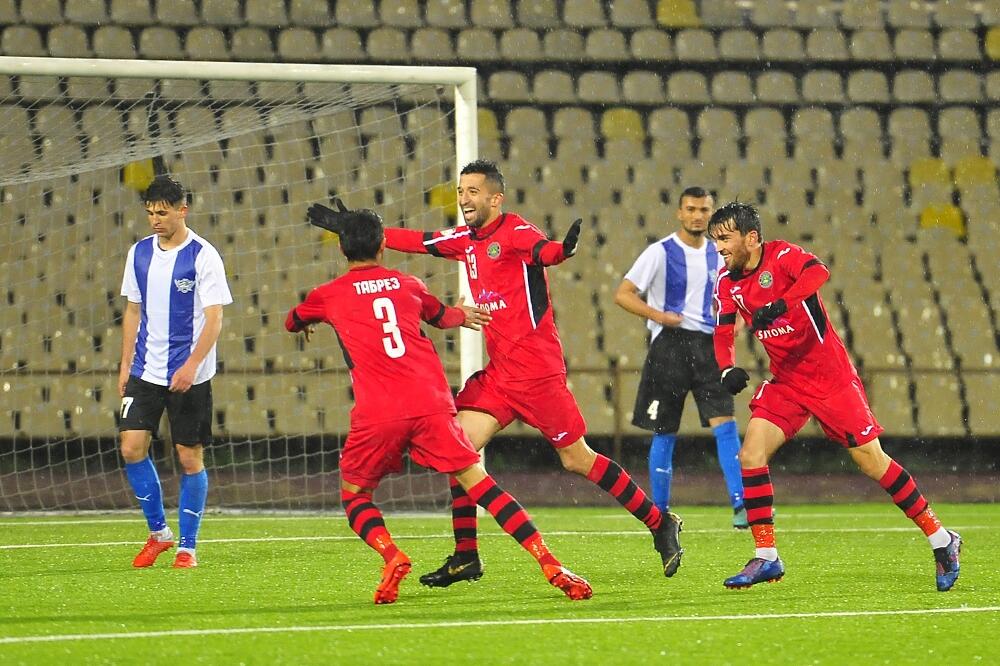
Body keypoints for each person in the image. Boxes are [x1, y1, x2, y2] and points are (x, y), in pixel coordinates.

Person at [309, 160, 684, 587]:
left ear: (495, 198)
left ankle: (658, 522)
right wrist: (356, 231)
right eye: (461, 191)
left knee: (577, 459)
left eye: (472, 191)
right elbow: (419, 241)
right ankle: (467, 555)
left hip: (539, 374)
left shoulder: (516, 232)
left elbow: (544, 251)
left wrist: (563, 251)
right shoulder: (465, 240)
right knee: (460, 451)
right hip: (500, 376)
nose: (464, 199)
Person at [286, 204, 592, 604]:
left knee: (355, 493)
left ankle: (392, 554)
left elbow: (292, 320)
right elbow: (443, 316)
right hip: (432, 404)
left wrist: (306, 321)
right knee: (479, 483)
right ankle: (550, 563)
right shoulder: (409, 285)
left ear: (342, 250)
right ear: (383, 246)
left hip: (379, 412)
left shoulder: (327, 295)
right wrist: (463, 314)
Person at [708, 201, 961, 591]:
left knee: (873, 462)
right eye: (715, 240)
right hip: (787, 381)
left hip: (831, 379)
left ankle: (942, 539)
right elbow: (724, 330)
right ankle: (767, 556)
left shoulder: (783, 256)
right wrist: (726, 367)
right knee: (751, 454)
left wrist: (781, 303)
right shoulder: (727, 283)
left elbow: (818, 272)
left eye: (725, 238)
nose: (719, 246)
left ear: (752, 237)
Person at [614, 186, 746, 529]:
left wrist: (733, 326)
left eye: (704, 210)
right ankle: (659, 512)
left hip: (707, 346)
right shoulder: (659, 253)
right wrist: (658, 316)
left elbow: (734, 295)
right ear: (679, 212)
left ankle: (741, 505)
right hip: (669, 347)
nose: (697, 216)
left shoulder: (718, 256)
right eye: (691, 209)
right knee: (664, 430)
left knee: (725, 425)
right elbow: (623, 295)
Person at [118, 175, 233, 569]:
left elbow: (215, 318)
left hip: (190, 375)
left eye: (162, 213)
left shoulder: (204, 255)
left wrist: (190, 365)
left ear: (182, 210)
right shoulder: (138, 254)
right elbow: (133, 310)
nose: (155, 220)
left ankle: (188, 546)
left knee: (189, 459)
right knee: (131, 447)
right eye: (150, 212)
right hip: (145, 370)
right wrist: (124, 365)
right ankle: (158, 534)